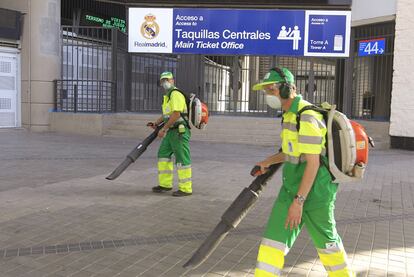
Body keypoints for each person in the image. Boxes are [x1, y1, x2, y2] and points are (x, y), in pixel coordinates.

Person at [252, 67, 354, 276]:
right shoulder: (290, 115)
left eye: (271, 89)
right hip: (291, 189)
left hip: (315, 196)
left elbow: (313, 163)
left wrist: (298, 203)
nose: (268, 95)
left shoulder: (307, 116)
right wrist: (267, 162)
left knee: (328, 247)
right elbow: (292, 153)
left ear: (286, 89)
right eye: (266, 91)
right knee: (272, 243)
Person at [148, 71, 192, 197]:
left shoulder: (176, 94)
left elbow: (176, 114)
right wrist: (156, 123)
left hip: (179, 131)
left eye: (167, 80)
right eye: (163, 81)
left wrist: (164, 129)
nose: (165, 82)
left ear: (173, 80)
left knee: (182, 159)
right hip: (171, 132)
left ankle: (186, 188)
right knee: (163, 155)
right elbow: (167, 114)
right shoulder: (168, 96)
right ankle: (165, 184)